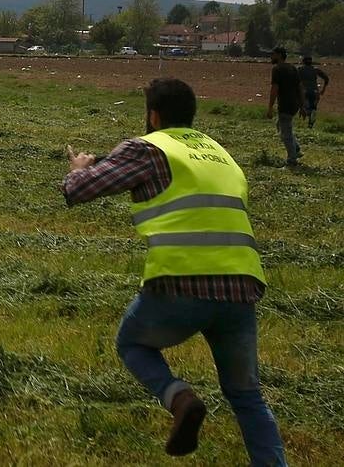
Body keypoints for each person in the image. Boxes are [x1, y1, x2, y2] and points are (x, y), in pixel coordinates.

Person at [62, 78, 285, 465]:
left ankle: (179, 397)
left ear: (154, 114)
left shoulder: (147, 148)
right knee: (247, 396)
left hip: (180, 281)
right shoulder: (220, 153)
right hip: (241, 285)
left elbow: (79, 191)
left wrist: (79, 168)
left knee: (132, 343)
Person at [266, 47, 304, 167]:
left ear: (279, 55)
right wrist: (302, 106)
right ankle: (296, 148)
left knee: (285, 133)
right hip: (294, 104)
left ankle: (292, 159)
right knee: (281, 125)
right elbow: (300, 87)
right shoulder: (293, 68)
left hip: (285, 104)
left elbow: (274, 89)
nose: (271, 57)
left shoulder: (277, 69)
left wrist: (270, 107)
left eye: (273, 54)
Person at [298, 55, 329, 129]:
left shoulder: (300, 69)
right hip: (315, 92)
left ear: (303, 62)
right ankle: (310, 125)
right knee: (313, 108)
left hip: (304, 92)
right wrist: (323, 89)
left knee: (305, 106)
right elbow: (326, 78)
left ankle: (307, 112)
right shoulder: (316, 70)